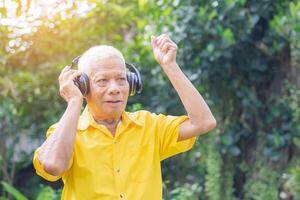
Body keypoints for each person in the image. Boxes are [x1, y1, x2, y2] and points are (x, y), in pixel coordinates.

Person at [33, 34, 216, 199]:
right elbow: (53, 166)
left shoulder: (150, 126)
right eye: (102, 81)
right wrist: (74, 101)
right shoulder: (65, 132)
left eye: (121, 80)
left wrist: (170, 66)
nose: (115, 89)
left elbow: (203, 122)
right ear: (83, 87)